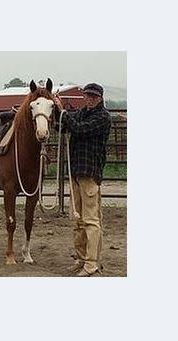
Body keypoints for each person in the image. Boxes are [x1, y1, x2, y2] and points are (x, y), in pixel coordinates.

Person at [54, 83, 111, 276]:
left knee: (91, 219)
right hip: (77, 173)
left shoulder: (102, 117)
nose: (90, 99)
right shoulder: (82, 112)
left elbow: (79, 129)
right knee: (77, 220)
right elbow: (62, 126)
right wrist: (56, 110)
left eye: (94, 96)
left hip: (90, 172)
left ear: (100, 98)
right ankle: (81, 258)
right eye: (88, 96)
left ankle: (92, 263)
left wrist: (63, 111)